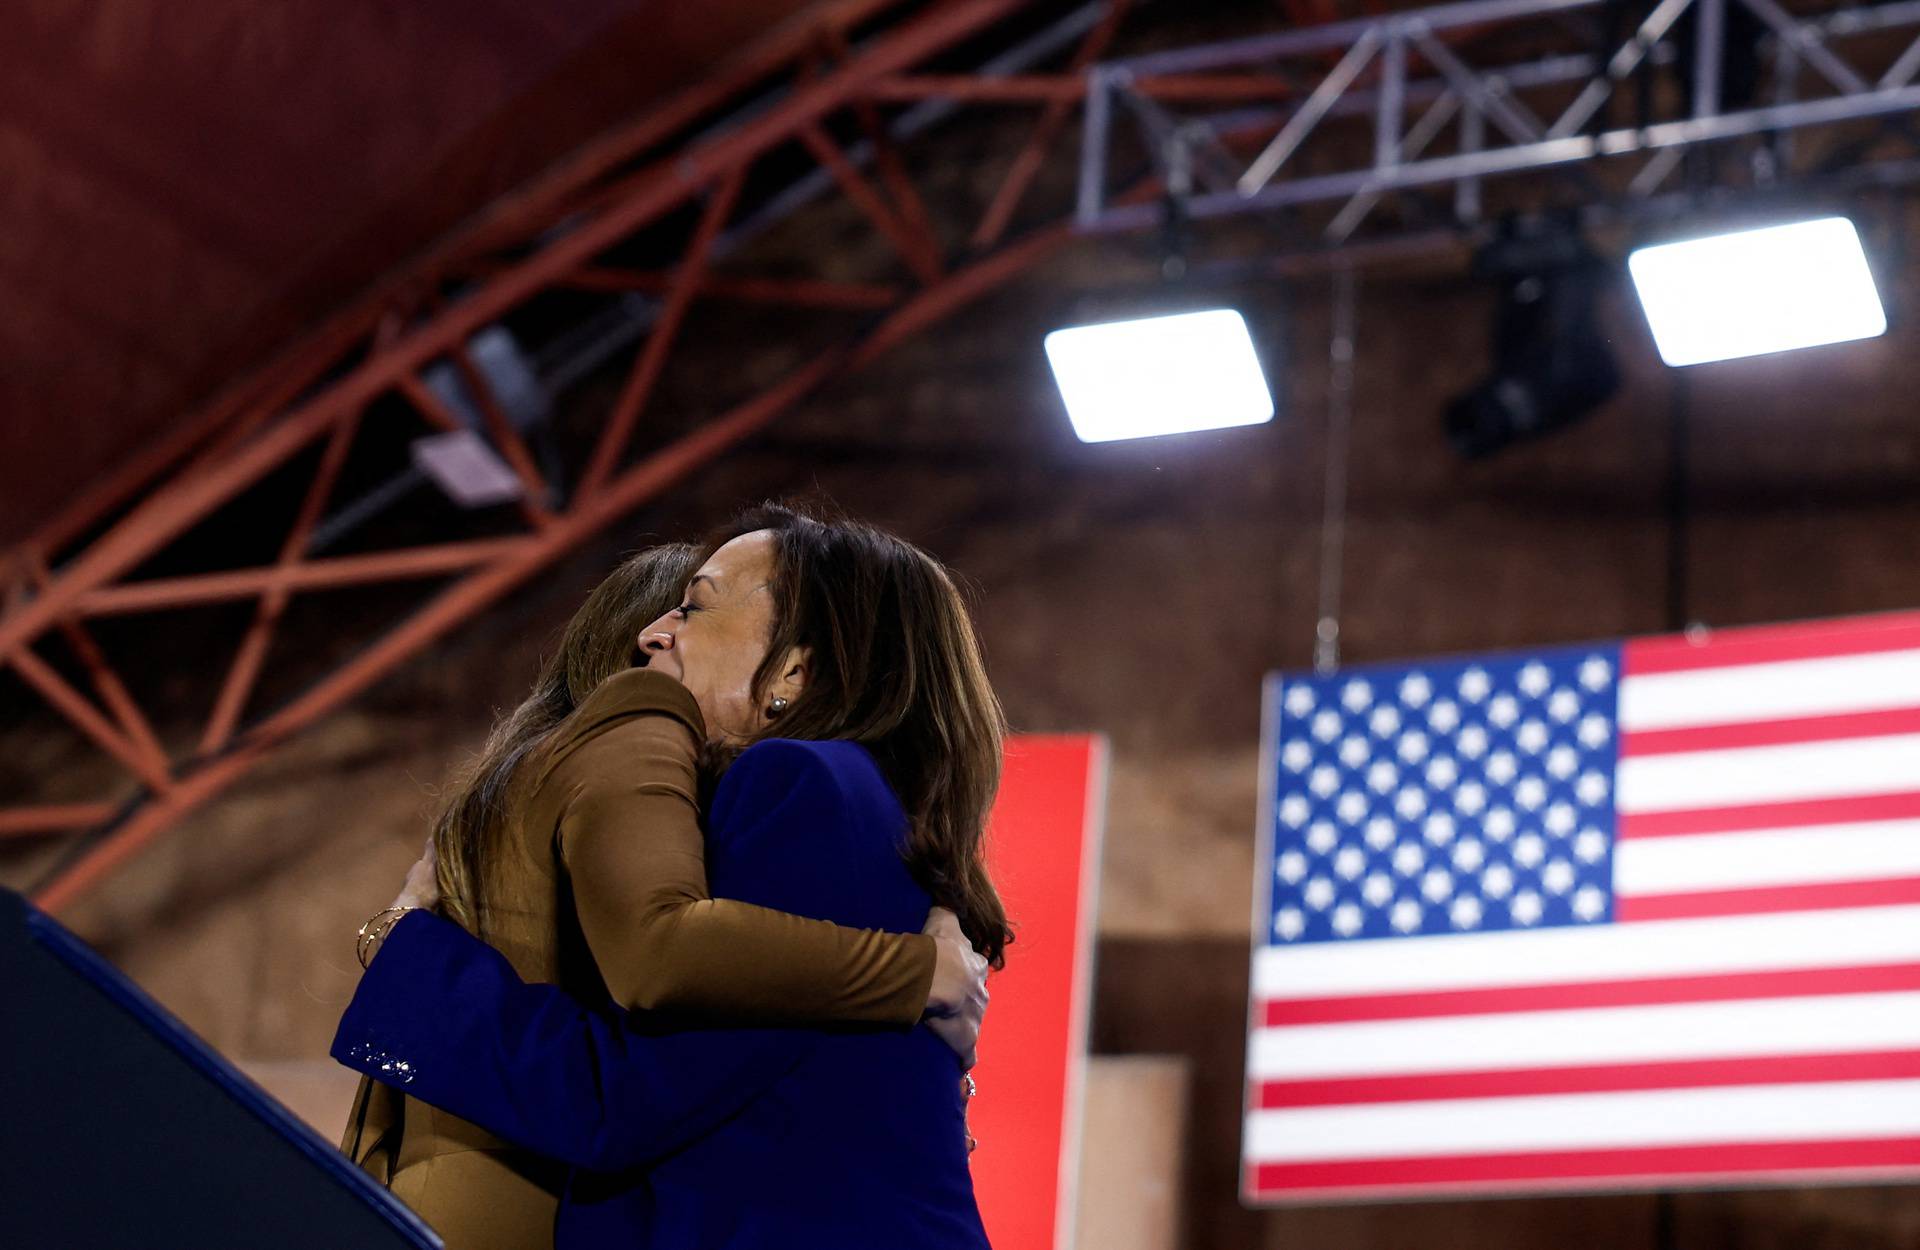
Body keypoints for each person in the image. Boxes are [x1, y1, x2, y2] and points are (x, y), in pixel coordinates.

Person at [335, 504, 1010, 1248]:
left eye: (695, 606)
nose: (654, 633)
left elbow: (629, 1098)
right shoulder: (865, 806)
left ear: (794, 668)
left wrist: (411, 955)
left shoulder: (799, 783)